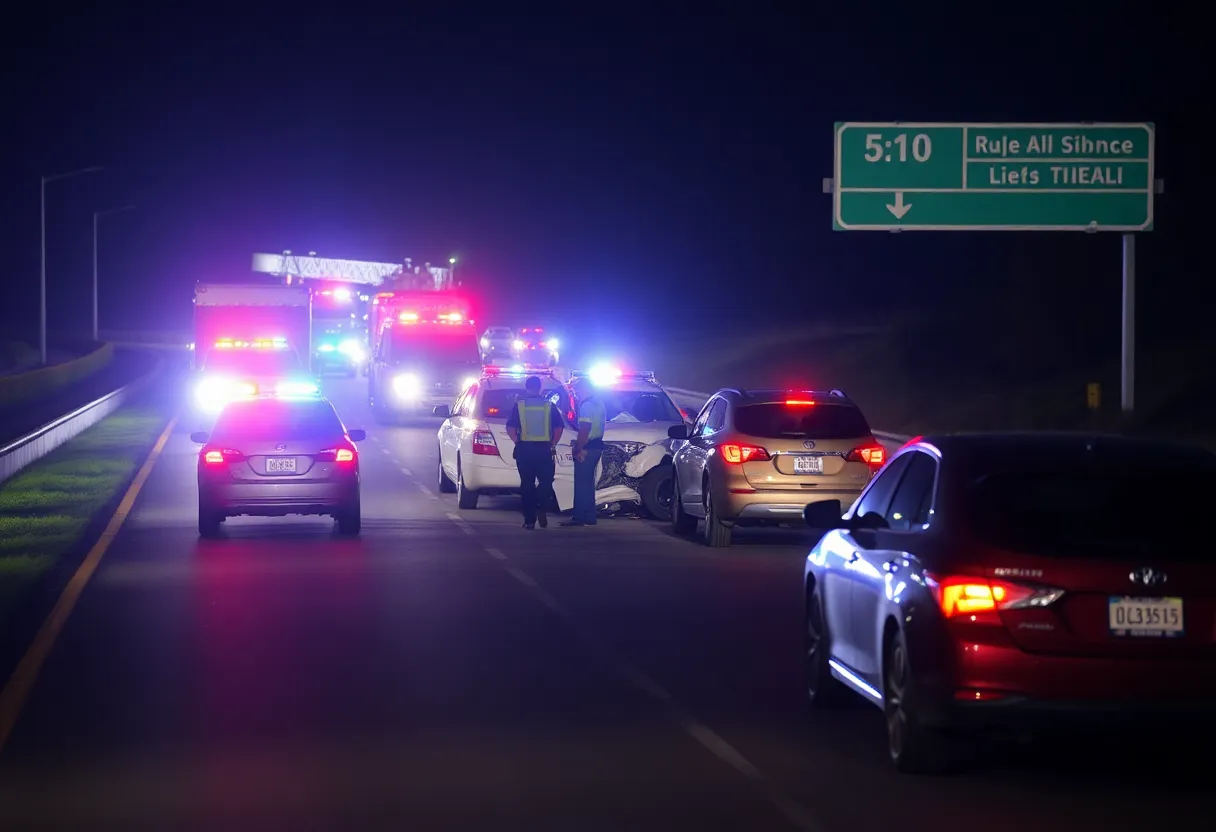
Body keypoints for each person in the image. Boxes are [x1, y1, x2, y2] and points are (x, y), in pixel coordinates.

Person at [505, 376, 565, 529]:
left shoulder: (519, 406)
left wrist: (517, 442)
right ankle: (542, 507)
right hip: (545, 450)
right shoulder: (549, 406)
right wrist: (553, 444)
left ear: (527, 388)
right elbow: (559, 428)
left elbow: (510, 428)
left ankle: (529, 521)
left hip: (525, 450)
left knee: (527, 485)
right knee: (546, 483)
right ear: (540, 388)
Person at [561, 386, 606, 527]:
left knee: (581, 484)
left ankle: (579, 517)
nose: (576, 394)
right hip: (597, 446)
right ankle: (589, 516)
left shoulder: (586, 406)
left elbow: (585, 428)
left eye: (577, 391)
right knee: (588, 484)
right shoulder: (599, 403)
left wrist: (578, 447)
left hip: (587, 448)